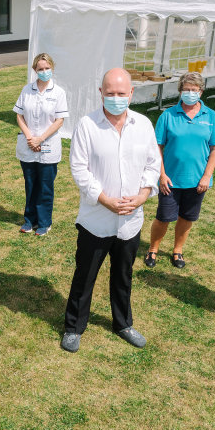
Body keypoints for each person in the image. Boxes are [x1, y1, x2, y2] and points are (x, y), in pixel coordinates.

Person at [61, 68, 160, 353]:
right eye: (110, 93)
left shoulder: (143, 125)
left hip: (130, 221)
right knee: (85, 275)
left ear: (131, 93)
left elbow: (153, 164)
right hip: (96, 219)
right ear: (101, 92)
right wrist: (103, 199)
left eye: (121, 93)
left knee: (123, 275)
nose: (116, 98)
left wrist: (143, 195)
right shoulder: (87, 125)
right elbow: (79, 169)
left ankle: (123, 323)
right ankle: (73, 327)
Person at [144, 72, 215, 269]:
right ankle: (153, 249)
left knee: (187, 218)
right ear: (180, 91)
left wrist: (207, 176)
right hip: (170, 179)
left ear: (201, 92)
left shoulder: (211, 116)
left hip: (198, 181)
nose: (190, 93)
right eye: (186, 90)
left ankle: (177, 251)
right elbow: (157, 148)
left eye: (194, 90)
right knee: (163, 217)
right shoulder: (168, 115)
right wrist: (161, 174)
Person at [14, 52, 69, 236]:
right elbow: (19, 115)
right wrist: (30, 137)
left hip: (48, 145)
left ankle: (44, 222)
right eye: (40, 69)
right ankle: (30, 220)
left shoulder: (59, 92)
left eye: (47, 68)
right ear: (35, 70)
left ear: (51, 68)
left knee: (45, 186)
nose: (44, 71)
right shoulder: (26, 90)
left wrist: (40, 139)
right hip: (29, 145)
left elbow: (59, 120)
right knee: (30, 184)